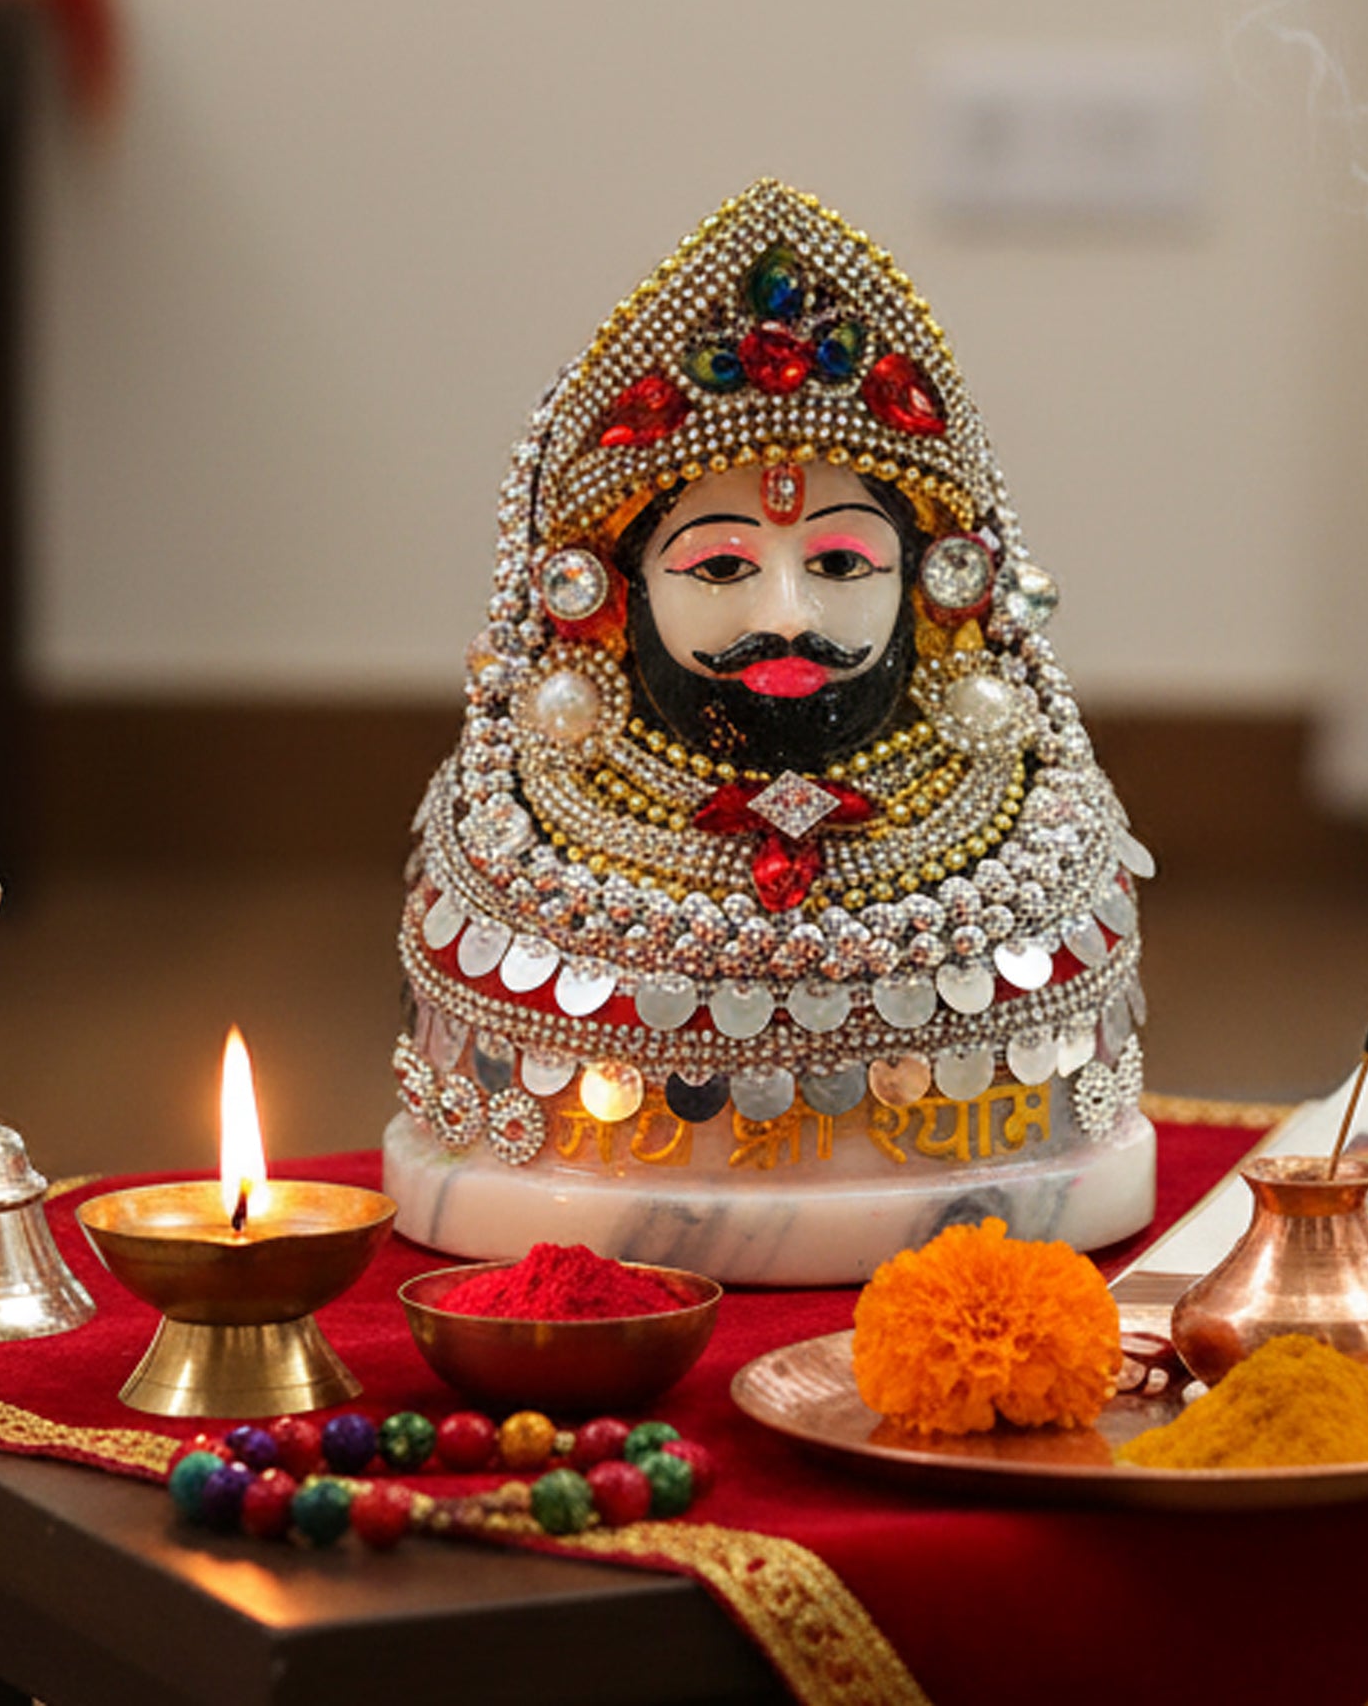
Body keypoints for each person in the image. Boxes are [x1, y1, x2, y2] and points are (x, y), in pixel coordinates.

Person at [385, 180, 1156, 1280]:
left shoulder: (1033, 827)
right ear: (606, 590)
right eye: (719, 565)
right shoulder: (513, 837)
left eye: (840, 562)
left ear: (938, 579)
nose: (786, 614)